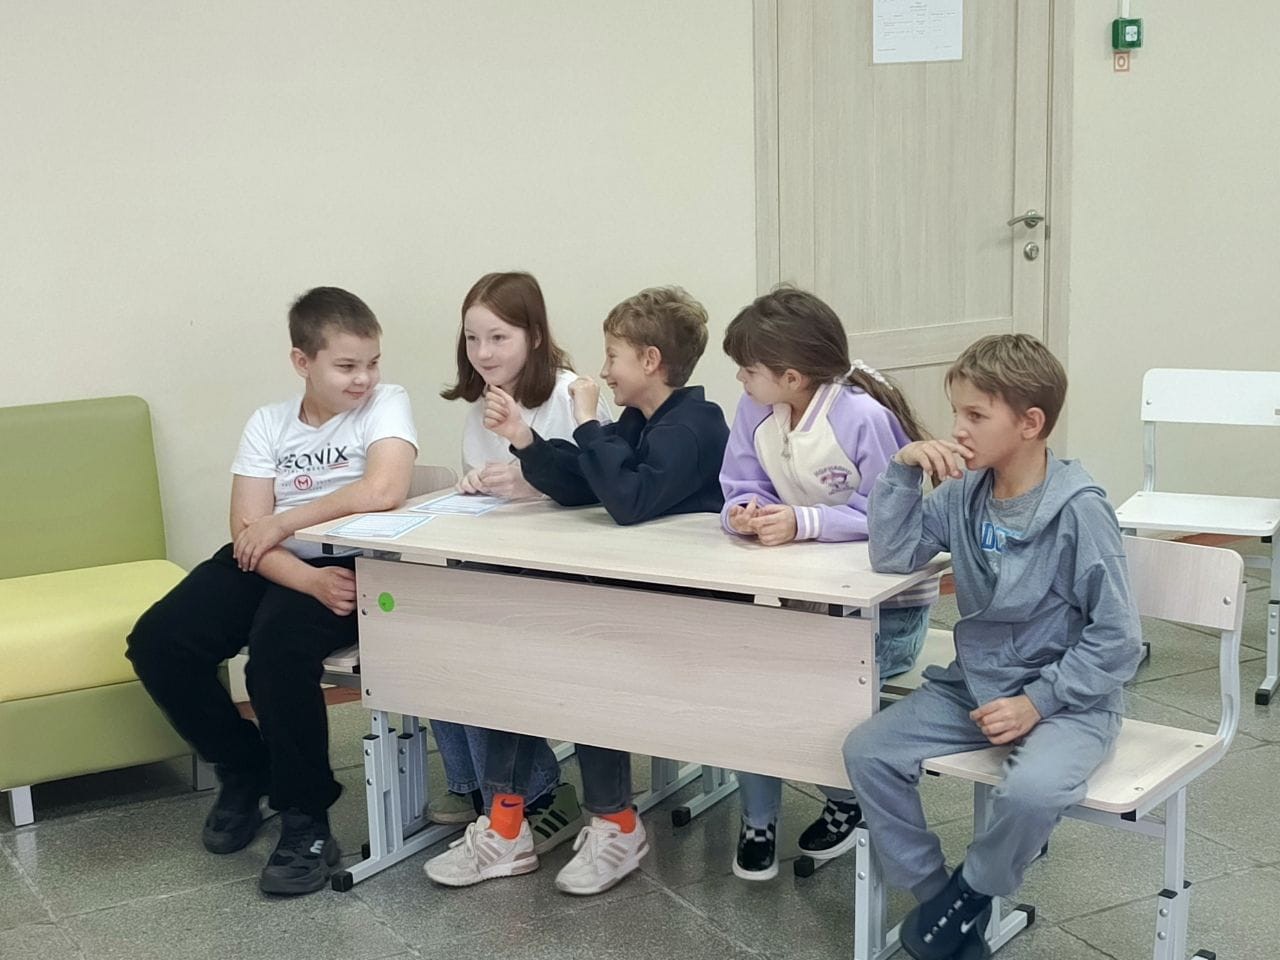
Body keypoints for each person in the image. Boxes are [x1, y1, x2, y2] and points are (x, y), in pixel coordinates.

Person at [843, 333, 1142, 960]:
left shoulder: (1079, 512)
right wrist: (902, 471)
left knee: (1032, 792)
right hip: (975, 687)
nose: (958, 429)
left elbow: (1118, 640)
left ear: (1030, 423)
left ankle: (971, 891)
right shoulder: (963, 493)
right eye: (957, 412)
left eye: (976, 415)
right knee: (868, 751)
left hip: (1069, 701)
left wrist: (1038, 702)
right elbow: (893, 555)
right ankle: (941, 902)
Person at [423, 285, 729, 895]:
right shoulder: (640, 422)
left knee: (582, 665)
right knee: (517, 654)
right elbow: (583, 484)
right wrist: (526, 439)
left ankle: (616, 824)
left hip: (682, 615)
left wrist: (588, 421)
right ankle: (506, 824)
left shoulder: (696, 424)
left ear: (650, 361)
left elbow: (628, 500)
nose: (603, 370)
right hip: (625, 598)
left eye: (613, 356)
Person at [126, 287, 418, 896]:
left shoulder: (386, 403)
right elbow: (245, 529)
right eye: (346, 365)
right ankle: (244, 767)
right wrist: (302, 574)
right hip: (281, 565)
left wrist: (285, 523)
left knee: (276, 656)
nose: (363, 378)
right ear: (302, 361)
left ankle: (305, 817)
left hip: (349, 562)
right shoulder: (268, 422)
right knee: (160, 641)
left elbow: (384, 489)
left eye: (371, 362)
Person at [718, 286, 937, 880]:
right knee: (749, 678)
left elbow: (895, 520)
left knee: (818, 689)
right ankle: (758, 817)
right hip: (803, 598)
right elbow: (738, 483)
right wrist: (742, 512)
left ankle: (846, 802)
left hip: (886, 612)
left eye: (748, 369)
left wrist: (805, 522)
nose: (739, 378)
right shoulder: (754, 409)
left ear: (791, 378)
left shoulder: (862, 418)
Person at [428, 271, 609, 854]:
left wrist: (533, 485)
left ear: (533, 335)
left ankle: (534, 792)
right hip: (501, 560)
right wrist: (475, 483)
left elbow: (602, 488)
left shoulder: (571, 395)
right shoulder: (481, 402)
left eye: (498, 337)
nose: (482, 353)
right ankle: (471, 783)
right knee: (427, 620)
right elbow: (486, 481)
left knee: (482, 631)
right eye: (472, 339)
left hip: (567, 574)